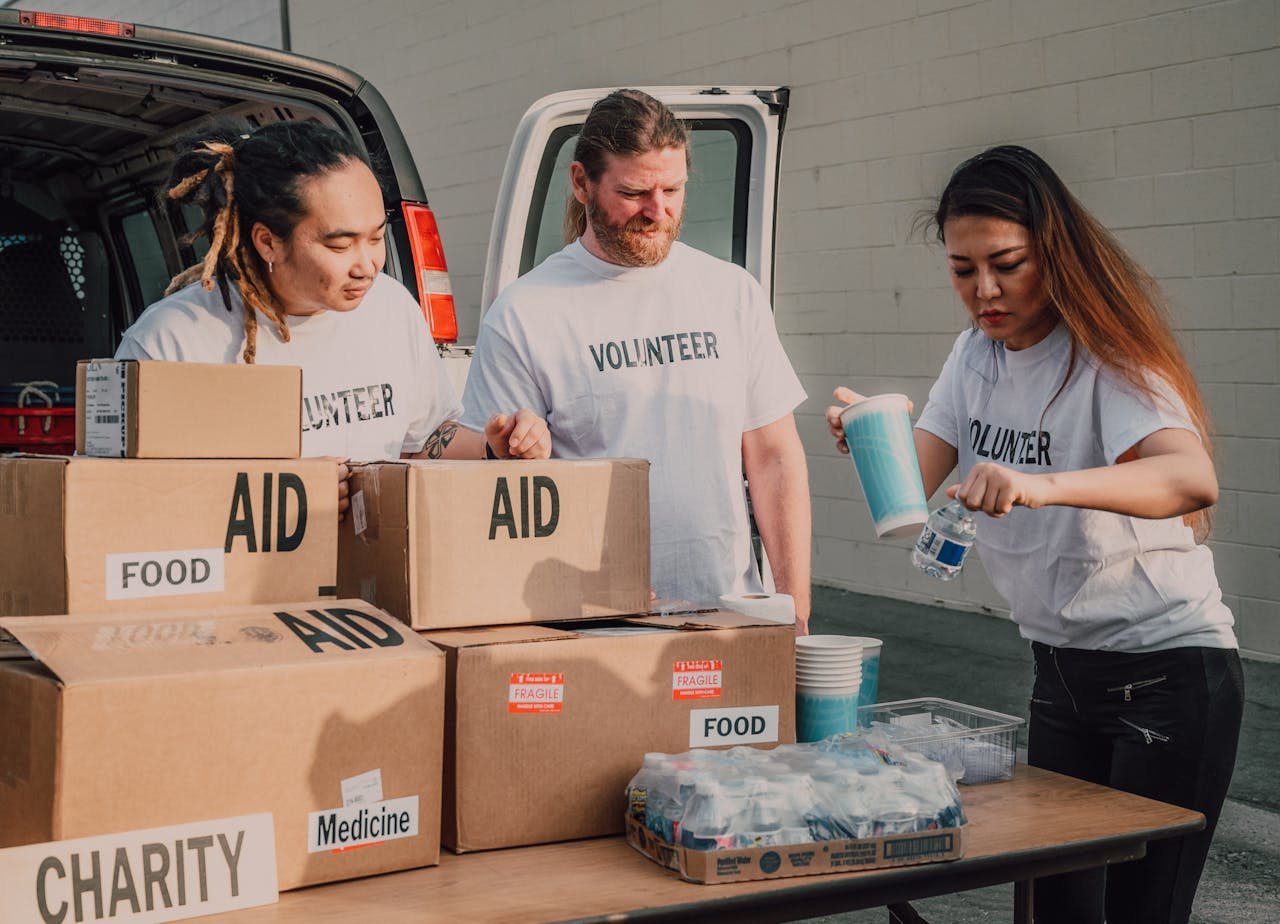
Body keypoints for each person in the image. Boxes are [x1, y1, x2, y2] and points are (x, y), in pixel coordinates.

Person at [825, 145, 1242, 924]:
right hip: (1059, 676)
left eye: (1006, 263)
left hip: (1167, 675)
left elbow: (1190, 478)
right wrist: (867, 433)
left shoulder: (1107, 355)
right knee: (1050, 911)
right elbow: (913, 491)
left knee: (1139, 914)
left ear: (1052, 250)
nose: (984, 290)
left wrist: (1042, 486)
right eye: (961, 269)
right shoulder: (975, 354)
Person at [461, 90, 812, 630]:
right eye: (634, 192)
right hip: (591, 623)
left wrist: (795, 610)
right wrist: (509, 448)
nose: (659, 212)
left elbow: (772, 457)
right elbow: (504, 497)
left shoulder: (730, 292)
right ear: (581, 183)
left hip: (730, 614)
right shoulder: (525, 313)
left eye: (673, 189)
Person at [116, 121, 549, 514]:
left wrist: (494, 448)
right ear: (268, 242)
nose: (368, 264)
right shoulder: (170, 343)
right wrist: (284, 495)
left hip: (371, 585)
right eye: (341, 246)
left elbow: (421, 443)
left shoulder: (392, 308)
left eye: (377, 237)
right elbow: (120, 501)